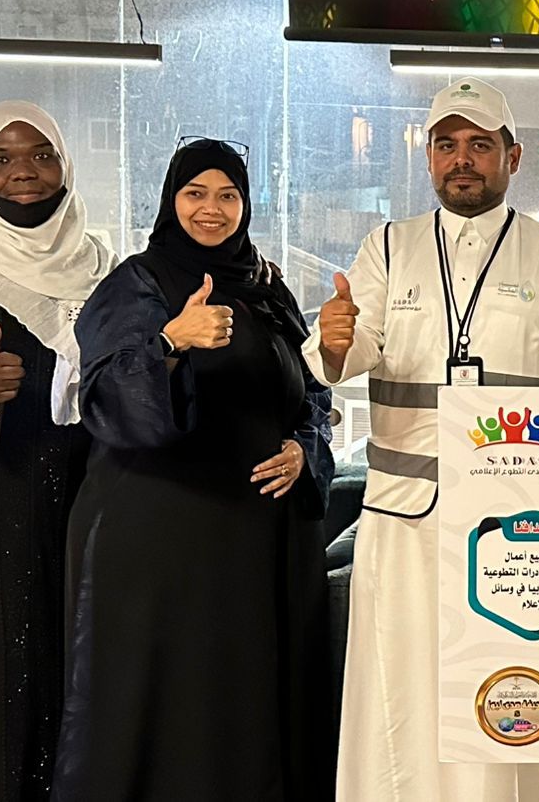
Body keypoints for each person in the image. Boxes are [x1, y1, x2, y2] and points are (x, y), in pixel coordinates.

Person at [304, 77, 539, 802]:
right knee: (395, 693)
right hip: (402, 516)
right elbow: (350, 349)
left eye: (479, 144)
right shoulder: (389, 246)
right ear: (429, 157)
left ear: (513, 157)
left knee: (500, 698)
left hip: (512, 526)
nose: (461, 160)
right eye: (446, 145)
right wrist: (335, 343)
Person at [54, 139, 335, 801]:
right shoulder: (137, 283)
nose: (212, 209)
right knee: (169, 706)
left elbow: (310, 393)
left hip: (255, 543)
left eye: (228, 195)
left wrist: (303, 447)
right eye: (195, 193)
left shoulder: (266, 287)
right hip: (162, 544)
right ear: (170, 200)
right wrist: (170, 341)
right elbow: (103, 401)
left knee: (249, 704)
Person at [0, 102, 115, 802]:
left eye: (42, 155)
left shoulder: (106, 270)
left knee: (78, 677)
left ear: (66, 168)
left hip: (87, 509)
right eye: (1, 158)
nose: (23, 172)